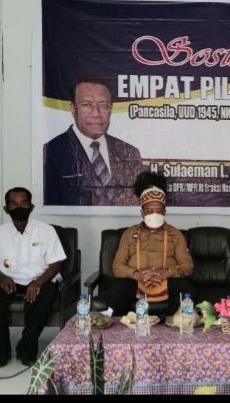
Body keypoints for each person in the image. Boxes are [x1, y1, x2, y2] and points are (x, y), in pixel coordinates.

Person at [0, 187, 66, 368]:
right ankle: (1, 353)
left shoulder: (46, 231)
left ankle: (27, 349)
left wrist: (39, 282)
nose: (19, 207)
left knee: (47, 295)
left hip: (39, 280)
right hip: (8, 281)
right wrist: (1, 278)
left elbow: (56, 264)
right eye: (13, 204)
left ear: (31, 207)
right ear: (6, 209)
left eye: (24, 203)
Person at [43, 78, 144, 206]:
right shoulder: (51, 152)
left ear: (111, 109)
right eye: (87, 105)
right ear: (73, 109)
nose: (96, 114)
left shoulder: (129, 152)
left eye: (103, 105)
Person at [107, 171, 195, 316]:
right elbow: (117, 266)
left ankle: (171, 325)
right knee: (116, 289)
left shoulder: (175, 234)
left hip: (166, 280)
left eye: (158, 210)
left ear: (164, 212)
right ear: (142, 213)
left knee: (188, 290)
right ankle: (125, 327)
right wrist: (136, 274)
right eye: (149, 210)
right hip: (136, 281)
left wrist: (166, 272)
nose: (154, 214)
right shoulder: (129, 233)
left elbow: (188, 266)